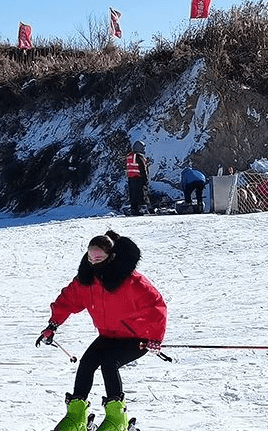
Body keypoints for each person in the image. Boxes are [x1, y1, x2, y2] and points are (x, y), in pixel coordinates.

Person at [35, 230, 167, 431]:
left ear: (111, 256)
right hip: (108, 336)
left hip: (136, 339)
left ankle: (117, 418)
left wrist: (155, 337)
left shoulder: (131, 281)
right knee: (87, 363)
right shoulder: (86, 281)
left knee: (109, 362)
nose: (93, 261)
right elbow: (67, 301)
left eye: (99, 257)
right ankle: (76, 414)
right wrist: (52, 325)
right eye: (90, 256)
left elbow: (156, 306)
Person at [125, 141, 151, 215]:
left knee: (133, 194)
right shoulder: (139, 157)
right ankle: (143, 209)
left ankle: (134, 209)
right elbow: (142, 169)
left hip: (131, 178)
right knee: (141, 193)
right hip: (139, 178)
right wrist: (145, 180)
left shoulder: (130, 156)